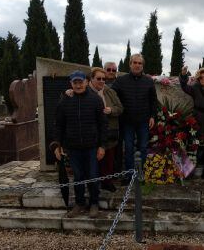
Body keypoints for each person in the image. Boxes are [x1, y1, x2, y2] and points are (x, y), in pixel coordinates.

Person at [50, 70, 107, 218]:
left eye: (80, 82)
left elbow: (103, 124)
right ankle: (80, 204)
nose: (78, 85)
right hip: (73, 147)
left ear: (87, 82)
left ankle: (94, 203)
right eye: (75, 82)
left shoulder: (95, 100)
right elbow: (59, 125)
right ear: (71, 84)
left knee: (93, 175)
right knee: (78, 176)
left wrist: (102, 146)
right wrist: (58, 145)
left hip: (92, 146)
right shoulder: (65, 100)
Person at [111, 54, 157, 184]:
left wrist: (153, 116)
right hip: (127, 121)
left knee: (143, 148)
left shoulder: (148, 81)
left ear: (142, 66)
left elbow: (153, 101)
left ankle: (139, 174)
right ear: (130, 64)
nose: (137, 65)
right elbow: (109, 94)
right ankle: (129, 175)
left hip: (144, 121)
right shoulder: (121, 81)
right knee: (129, 149)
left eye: (140, 63)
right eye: (135, 63)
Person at [180, 66, 204, 180]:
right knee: (201, 144)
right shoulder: (195, 89)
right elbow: (184, 86)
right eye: (201, 77)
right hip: (199, 119)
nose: (203, 79)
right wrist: (183, 75)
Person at [89, 67, 123, 192]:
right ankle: (94, 183)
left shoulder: (110, 92)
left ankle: (107, 182)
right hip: (92, 132)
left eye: (104, 79)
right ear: (91, 79)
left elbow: (120, 108)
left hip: (109, 129)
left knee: (108, 159)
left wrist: (111, 110)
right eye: (99, 78)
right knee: (94, 159)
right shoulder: (85, 91)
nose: (102, 81)